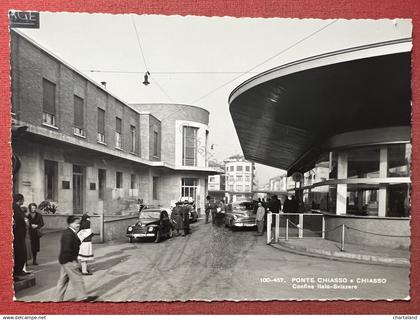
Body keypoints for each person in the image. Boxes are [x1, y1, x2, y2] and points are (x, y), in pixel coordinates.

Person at [55, 215, 97, 302]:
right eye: (76, 223)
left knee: (63, 281)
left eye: (79, 223)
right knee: (77, 279)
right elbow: (67, 249)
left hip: (64, 261)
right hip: (68, 261)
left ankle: (58, 300)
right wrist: (73, 261)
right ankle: (82, 298)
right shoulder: (68, 234)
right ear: (70, 224)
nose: (78, 225)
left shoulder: (70, 232)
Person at [13, 194, 28, 279]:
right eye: (23, 199)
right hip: (18, 235)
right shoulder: (15, 207)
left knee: (21, 253)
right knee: (20, 253)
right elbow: (19, 219)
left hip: (20, 235)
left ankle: (19, 270)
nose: (23, 201)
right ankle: (17, 271)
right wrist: (25, 220)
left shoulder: (17, 207)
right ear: (20, 200)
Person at [22, 207, 32, 273]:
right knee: (25, 253)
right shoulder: (25, 220)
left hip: (25, 237)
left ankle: (24, 268)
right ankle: (24, 268)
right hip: (26, 238)